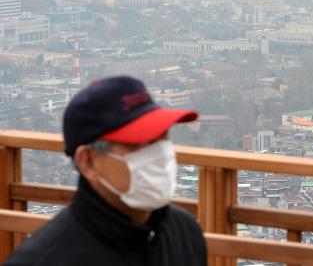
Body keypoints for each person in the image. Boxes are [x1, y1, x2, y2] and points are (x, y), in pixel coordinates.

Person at [3, 76, 207, 266]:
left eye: (162, 137)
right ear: (89, 163)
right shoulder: (44, 259)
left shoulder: (184, 231)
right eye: (138, 144)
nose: (160, 154)